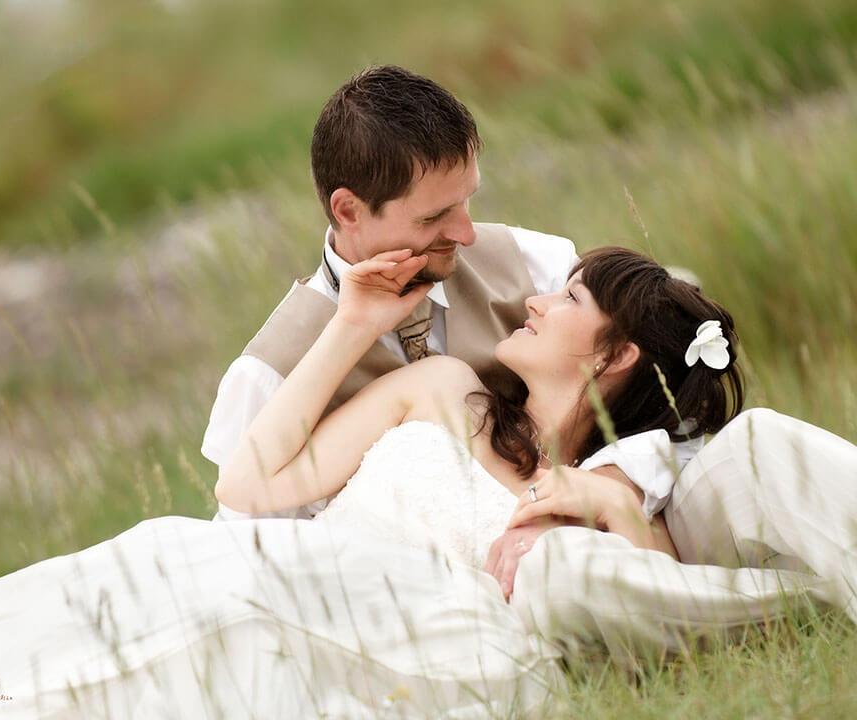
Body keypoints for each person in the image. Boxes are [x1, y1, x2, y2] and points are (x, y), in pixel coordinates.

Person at [0, 246, 781, 719]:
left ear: (616, 355)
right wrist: (356, 320)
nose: (536, 302)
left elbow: (662, 601)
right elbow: (249, 485)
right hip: (280, 571)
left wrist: (603, 502)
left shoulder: (602, 498)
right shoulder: (445, 389)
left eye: (568, 301)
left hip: (406, 646)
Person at [202, 64, 696, 523]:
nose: (467, 234)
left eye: (467, 201)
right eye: (434, 217)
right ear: (349, 211)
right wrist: (353, 326)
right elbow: (251, 540)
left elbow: (663, 393)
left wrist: (606, 487)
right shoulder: (269, 372)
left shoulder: (534, 265)